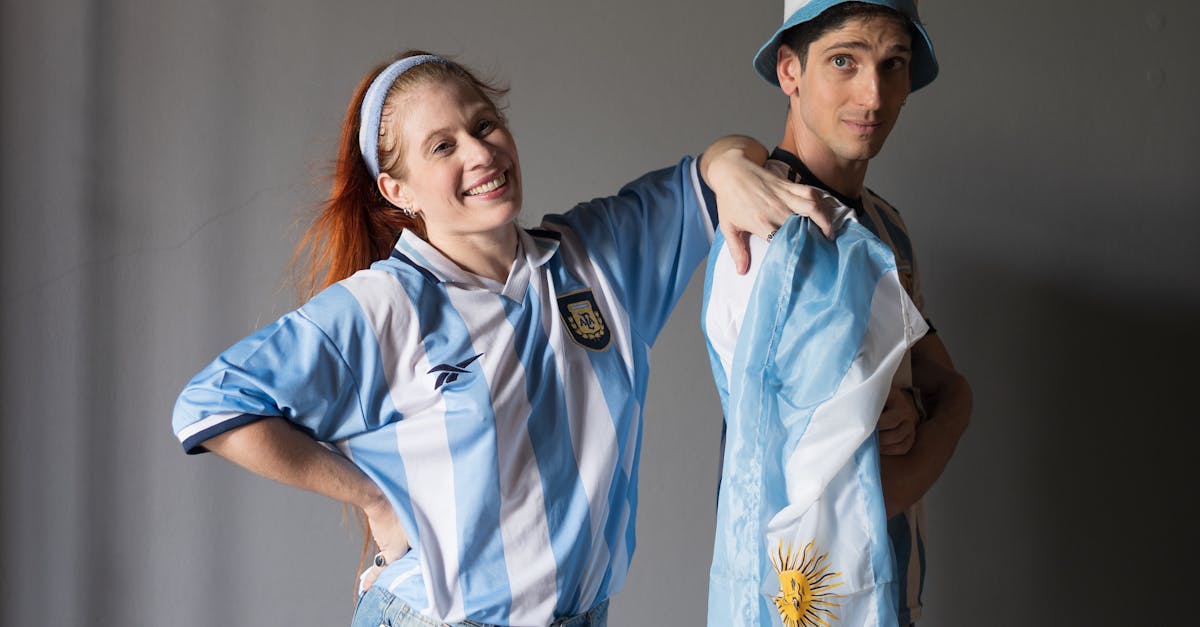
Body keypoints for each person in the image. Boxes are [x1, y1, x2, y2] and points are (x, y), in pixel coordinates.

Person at [172, 51, 831, 627]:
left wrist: (729, 164)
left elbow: (716, 168)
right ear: (396, 190)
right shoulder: (384, 306)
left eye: (484, 124)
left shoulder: (598, 256)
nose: (480, 152)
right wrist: (374, 497)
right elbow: (209, 407)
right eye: (443, 145)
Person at [702, 2, 972, 626]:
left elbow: (931, 376)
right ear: (790, 70)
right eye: (843, 61)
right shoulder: (772, 236)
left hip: (890, 587)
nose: (872, 94)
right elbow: (869, 492)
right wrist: (953, 415)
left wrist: (910, 408)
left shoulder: (883, 227)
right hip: (807, 605)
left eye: (893, 64)